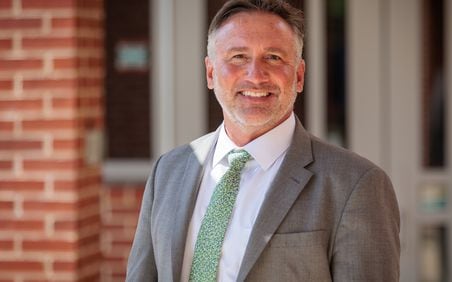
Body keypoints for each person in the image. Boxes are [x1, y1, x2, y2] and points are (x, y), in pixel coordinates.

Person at [125, 0, 400, 281]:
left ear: (299, 76)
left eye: (273, 58)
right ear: (210, 73)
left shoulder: (355, 185)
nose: (255, 76)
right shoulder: (168, 171)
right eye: (238, 57)